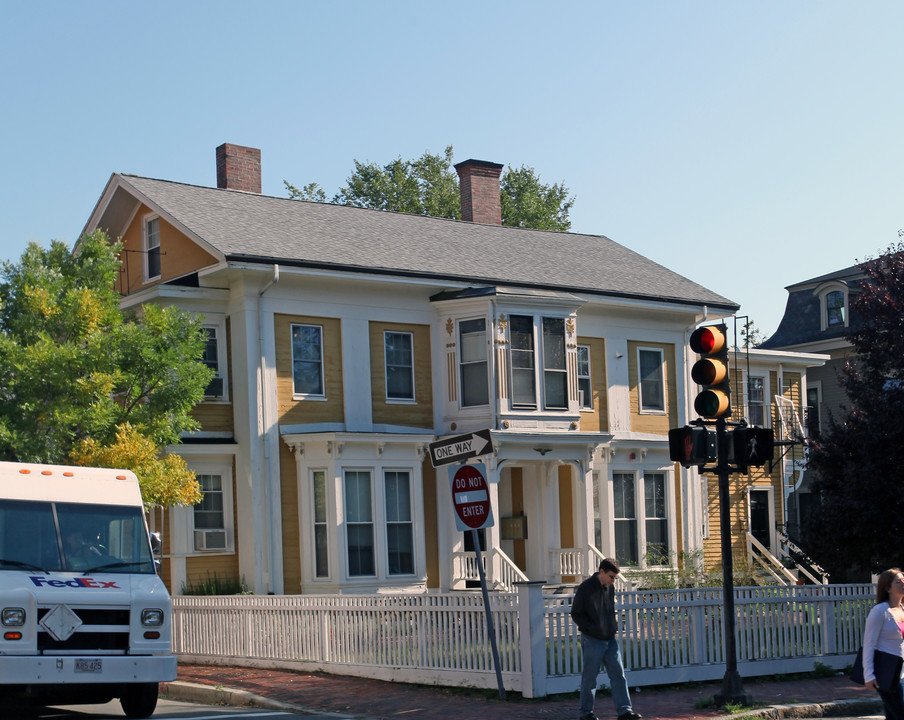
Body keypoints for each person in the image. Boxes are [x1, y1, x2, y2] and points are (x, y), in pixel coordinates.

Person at [570, 557, 641, 720]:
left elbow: (609, 609)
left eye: (615, 577)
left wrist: (611, 627)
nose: (613, 580)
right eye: (611, 577)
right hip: (592, 639)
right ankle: (585, 713)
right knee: (590, 678)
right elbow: (576, 613)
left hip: (610, 638)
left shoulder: (610, 587)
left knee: (618, 675)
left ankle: (624, 711)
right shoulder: (586, 588)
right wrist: (591, 628)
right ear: (601, 571)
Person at [863, 568, 904, 720]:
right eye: (898, 582)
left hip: (902, 674)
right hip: (887, 675)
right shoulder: (880, 611)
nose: (903, 584)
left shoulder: (902, 609)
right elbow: (869, 643)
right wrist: (869, 675)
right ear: (888, 588)